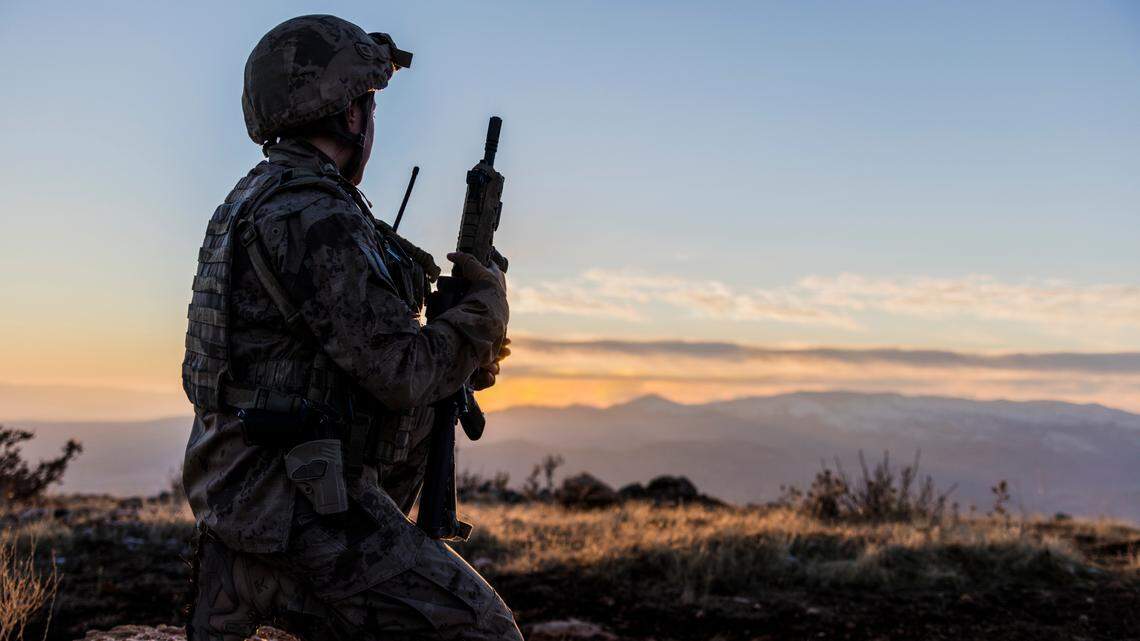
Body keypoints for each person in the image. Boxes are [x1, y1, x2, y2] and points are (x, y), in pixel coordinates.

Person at [180, 14, 521, 641]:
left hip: (257, 477)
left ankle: (260, 573)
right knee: (484, 632)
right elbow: (401, 372)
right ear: (351, 115)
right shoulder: (312, 213)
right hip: (293, 498)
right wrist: (482, 316)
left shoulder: (260, 196)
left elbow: (346, 356)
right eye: (368, 103)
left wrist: (460, 353)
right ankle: (269, 577)